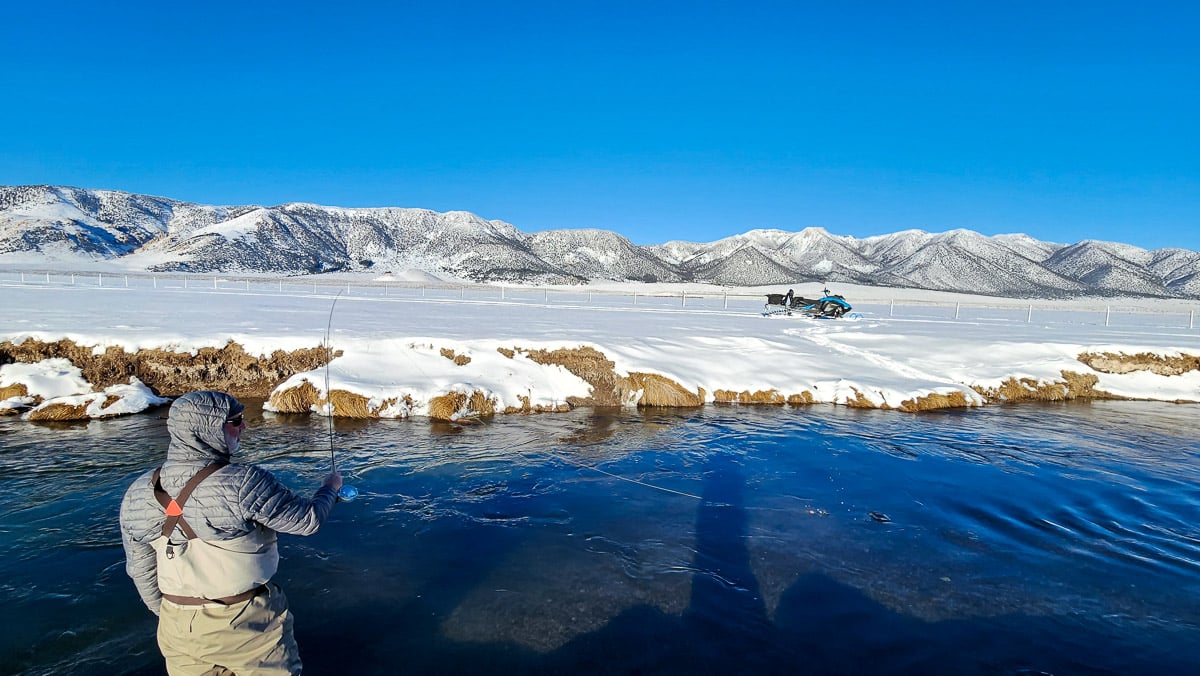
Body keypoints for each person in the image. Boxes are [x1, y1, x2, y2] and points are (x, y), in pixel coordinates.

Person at [120, 390, 342, 675]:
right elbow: (307, 521)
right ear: (208, 429)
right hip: (245, 623)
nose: (244, 427)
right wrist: (330, 488)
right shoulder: (244, 481)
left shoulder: (137, 491)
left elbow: (140, 568)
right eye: (235, 421)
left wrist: (171, 614)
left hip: (175, 627)